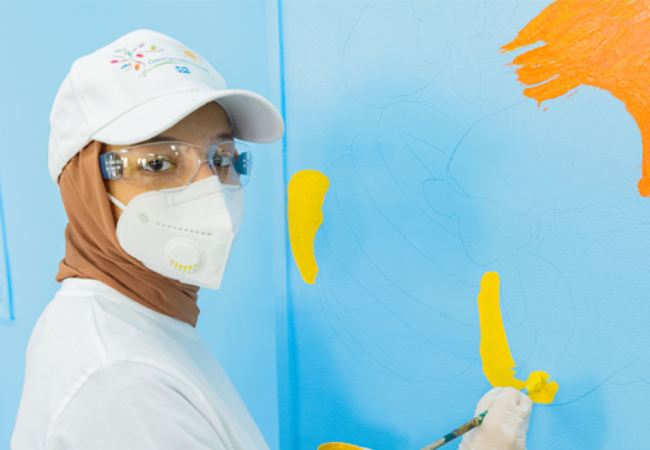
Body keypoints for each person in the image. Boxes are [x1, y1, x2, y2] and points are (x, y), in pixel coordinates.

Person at [10, 29, 532, 450]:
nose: (208, 192)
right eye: (158, 163)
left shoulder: (127, 317)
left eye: (222, 159)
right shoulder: (122, 389)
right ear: (84, 185)